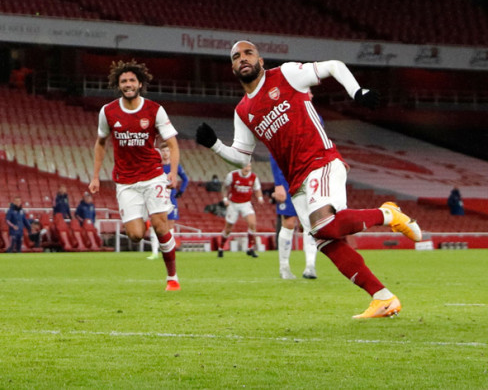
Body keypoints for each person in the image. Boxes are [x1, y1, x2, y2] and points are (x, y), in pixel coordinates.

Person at [196, 40, 421, 319]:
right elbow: (243, 157)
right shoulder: (242, 111)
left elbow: (334, 66)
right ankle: (383, 297)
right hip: (296, 182)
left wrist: (356, 91)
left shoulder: (286, 75)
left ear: (260, 60)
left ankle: (388, 214)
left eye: (248, 53)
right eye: (236, 56)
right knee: (326, 241)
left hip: (321, 161)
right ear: (232, 67)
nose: (242, 58)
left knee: (325, 225)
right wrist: (215, 145)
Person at [90, 59, 182, 291]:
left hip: (153, 176)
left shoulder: (154, 110)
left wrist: (172, 173)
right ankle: (151, 220)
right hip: (126, 181)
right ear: (118, 85)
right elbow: (100, 143)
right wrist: (94, 176)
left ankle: (172, 278)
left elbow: (172, 143)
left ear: (140, 84)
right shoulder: (108, 111)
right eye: (124, 81)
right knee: (135, 235)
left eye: (132, 80)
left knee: (161, 226)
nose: (128, 84)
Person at [271, 153, 317, 280]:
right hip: (286, 179)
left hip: (307, 179)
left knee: (310, 222)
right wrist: (278, 184)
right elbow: (274, 153)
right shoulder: (283, 135)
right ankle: (284, 267)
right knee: (289, 223)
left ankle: (310, 266)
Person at [215, 161, 264, 258]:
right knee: (228, 228)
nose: (247, 168)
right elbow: (224, 187)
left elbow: (257, 189)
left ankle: (250, 248)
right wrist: (225, 199)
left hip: (246, 203)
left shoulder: (254, 177)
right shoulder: (232, 175)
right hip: (233, 204)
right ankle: (221, 248)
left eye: (249, 166)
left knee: (252, 224)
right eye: (245, 166)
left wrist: (260, 198)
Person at [148, 147, 188, 261]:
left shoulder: (175, 167)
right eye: (163, 151)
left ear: (170, 153)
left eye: (167, 151)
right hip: (157, 199)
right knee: (155, 225)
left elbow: (185, 179)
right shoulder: (157, 166)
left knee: (170, 226)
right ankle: (154, 252)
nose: (165, 153)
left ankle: (168, 251)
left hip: (171, 199)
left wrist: (181, 191)